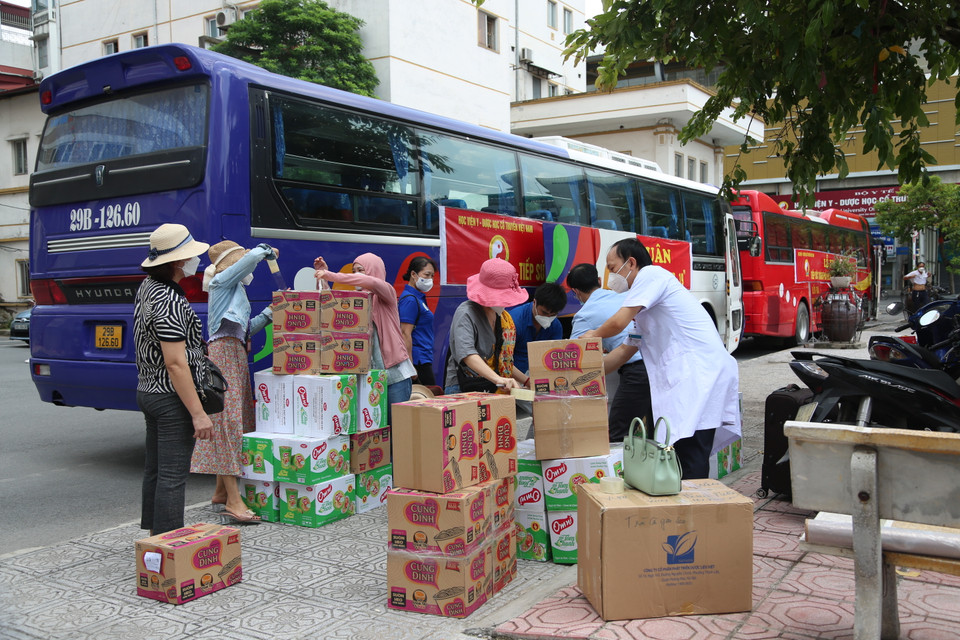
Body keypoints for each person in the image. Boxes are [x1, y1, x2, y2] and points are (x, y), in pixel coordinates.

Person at [581, 238, 741, 479]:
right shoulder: (643, 307)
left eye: (612, 268)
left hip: (700, 375)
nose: (610, 276)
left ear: (631, 263)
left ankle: (695, 510)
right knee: (679, 454)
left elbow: (617, 322)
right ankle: (686, 506)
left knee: (691, 454)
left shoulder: (651, 275)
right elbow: (624, 351)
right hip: (689, 380)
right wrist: (584, 373)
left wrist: (593, 335)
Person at [189, 240, 277, 524]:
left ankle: (219, 493)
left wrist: (269, 314)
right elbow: (244, 264)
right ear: (232, 265)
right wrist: (262, 251)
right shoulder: (220, 283)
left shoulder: (235, 289)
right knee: (228, 426)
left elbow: (243, 329)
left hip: (235, 355)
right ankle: (234, 500)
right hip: (224, 358)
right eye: (240, 261)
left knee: (235, 421)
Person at [134, 223, 212, 535]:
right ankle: (167, 549)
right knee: (172, 475)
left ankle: (154, 544)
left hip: (148, 391)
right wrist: (198, 413)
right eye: (191, 256)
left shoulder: (148, 288)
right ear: (179, 262)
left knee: (155, 470)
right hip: (171, 397)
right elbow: (176, 364)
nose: (196, 262)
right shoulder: (169, 299)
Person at [315, 253, 415, 423]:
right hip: (369, 378)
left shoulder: (387, 293)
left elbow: (372, 282)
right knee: (375, 432)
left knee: (397, 429)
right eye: (353, 271)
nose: (356, 276)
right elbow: (331, 308)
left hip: (394, 377)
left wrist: (331, 275)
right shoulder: (357, 302)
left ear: (373, 270)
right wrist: (323, 277)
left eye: (361, 271)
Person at [566, 263, 652, 442]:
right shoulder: (627, 298)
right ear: (599, 280)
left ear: (575, 292)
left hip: (637, 373)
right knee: (655, 431)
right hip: (657, 364)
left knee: (617, 434)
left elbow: (573, 356)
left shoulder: (584, 315)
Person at [444, 259, 529, 393]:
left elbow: (503, 360)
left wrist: (526, 380)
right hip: (463, 387)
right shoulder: (466, 313)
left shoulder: (503, 317)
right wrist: (498, 379)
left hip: (491, 388)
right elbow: (467, 354)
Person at [508, 282, 565, 374]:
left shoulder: (556, 325)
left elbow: (554, 358)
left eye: (553, 315)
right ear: (534, 302)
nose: (548, 317)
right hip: (513, 376)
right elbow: (504, 360)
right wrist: (525, 381)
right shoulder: (514, 321)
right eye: (544, 313)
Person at [398, 257, 438, 386]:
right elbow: (405, 333)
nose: (429, 279)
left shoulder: (417, 297)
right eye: (426, 275)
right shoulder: (410, 299)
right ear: (413, 274)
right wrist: (410, 365)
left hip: (423, 358)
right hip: (417, 361)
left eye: (432, 276)